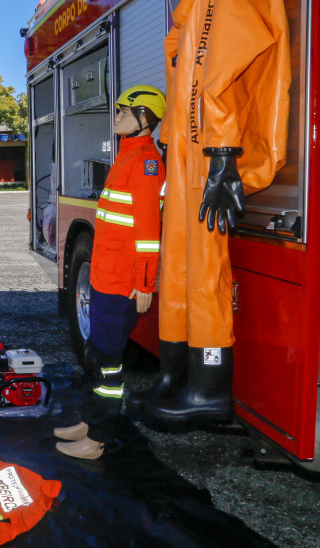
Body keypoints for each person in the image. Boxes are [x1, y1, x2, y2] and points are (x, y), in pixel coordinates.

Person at [135, 1, 290, 423]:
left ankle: (209, 390)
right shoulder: (193, 7)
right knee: (179, 272)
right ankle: (175, 374)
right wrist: (170, 137)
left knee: (204, 273)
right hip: (191, 151)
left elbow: (219, 76)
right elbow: (185, 73)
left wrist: (222, 154)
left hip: (209, 152)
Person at [54, 86, 165, 459]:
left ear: (145, 118)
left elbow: (149, 232)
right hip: (104, 277)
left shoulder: (146, 162)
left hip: (124, 284)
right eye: (117, 109)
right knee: (95, 354)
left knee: (108, 365)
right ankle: (89, 421)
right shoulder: (126, 157)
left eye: (124, 111)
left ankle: (98, 439)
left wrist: (146, 282)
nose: (116, 115)